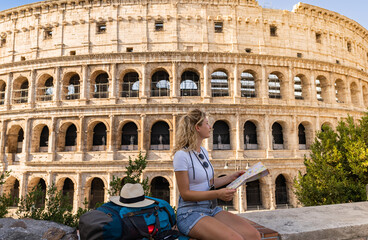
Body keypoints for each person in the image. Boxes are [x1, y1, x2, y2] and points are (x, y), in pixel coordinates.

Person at [173, 109, 261, 240]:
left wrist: (232, 177)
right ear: (197, 127)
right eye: (207, 124)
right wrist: (218, 194)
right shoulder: (181, 156)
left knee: (254, 235)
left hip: (211, 209)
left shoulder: (203, 151)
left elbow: (208, 183)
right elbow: (185, 194)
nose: (210, 127)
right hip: (190, 213)